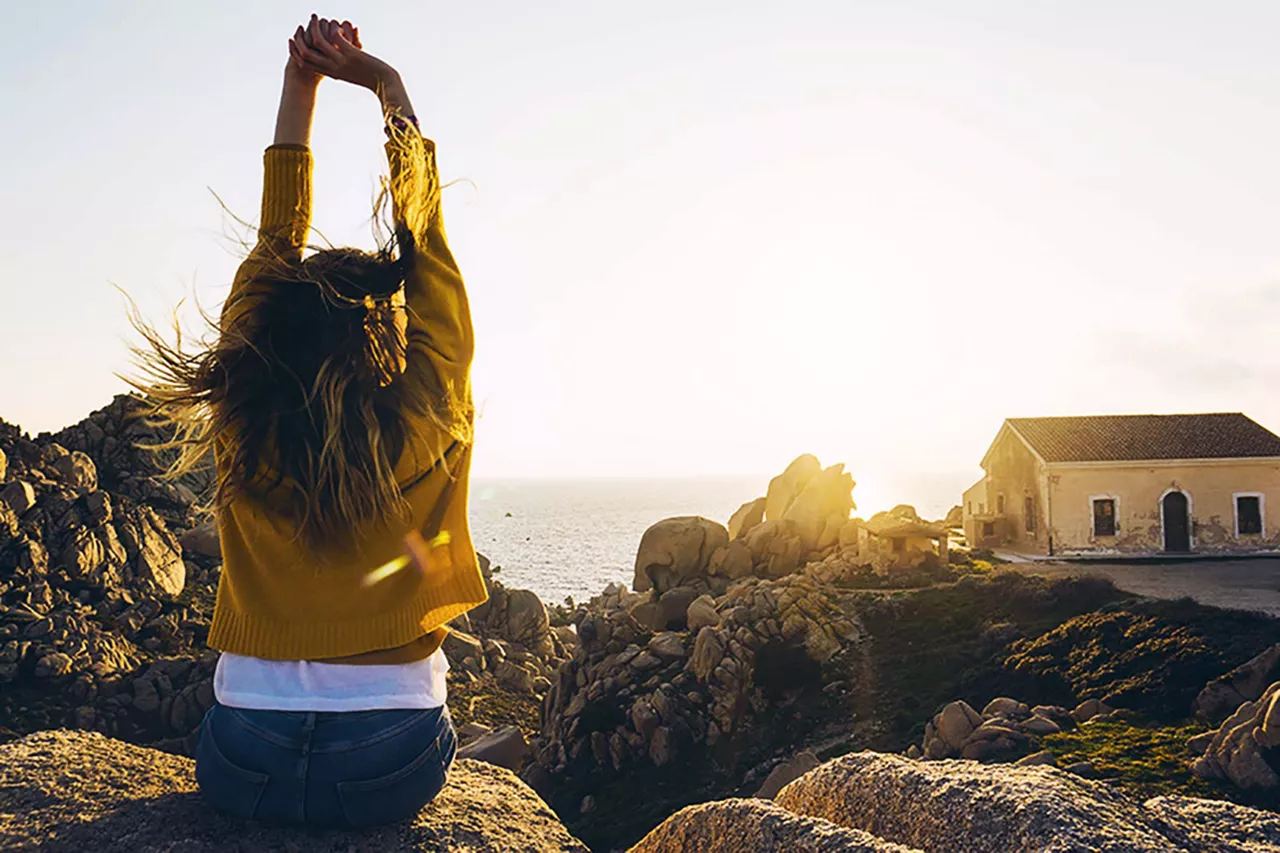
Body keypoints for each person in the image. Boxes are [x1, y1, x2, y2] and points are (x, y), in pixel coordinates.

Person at [121, 14, 488, 829]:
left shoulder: (245, 408)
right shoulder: (425, 408)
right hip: (389, 757)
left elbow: (274, 240)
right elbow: (425, 248)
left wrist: (300, 89)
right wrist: (385, 87)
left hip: (244, 753)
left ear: (271, 328)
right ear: (379, 329)